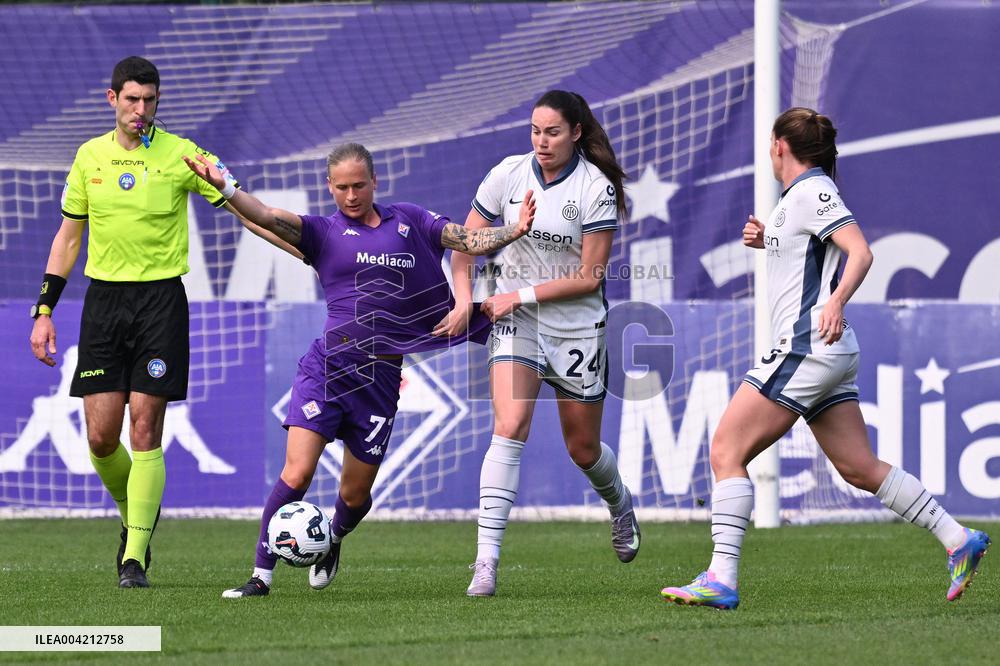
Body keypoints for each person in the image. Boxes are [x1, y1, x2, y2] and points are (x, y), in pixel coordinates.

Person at [660, 107, 991, 610]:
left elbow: (860, 252)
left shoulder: (814, 192)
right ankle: (957, 538)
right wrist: (764, 240)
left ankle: (721, 578)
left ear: (779, 147)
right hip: (829, 351)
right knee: (858, 466)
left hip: (805, 345)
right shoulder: (796, 199)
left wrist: (836, 301)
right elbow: (806, 258)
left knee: (726, 449)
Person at [183, 141, 536, 598]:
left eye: (359, 185)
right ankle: (260, 576)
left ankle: (331, 539)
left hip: (380, 381)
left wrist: (515, 229)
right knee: (297, 473)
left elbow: (466, 240)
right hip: (327, 370)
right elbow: (267, 217)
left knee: (353, 496)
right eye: (341, 187)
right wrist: (226, 188)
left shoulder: (409, 220)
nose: (351, 195)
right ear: (329, 188)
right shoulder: (323, 233)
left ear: (375, 181)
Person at [27, 56, 247, 589]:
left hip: (160, 303)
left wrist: (243, 196)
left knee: (145, 428)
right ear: (112, 99)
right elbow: (69, 238)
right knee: (102, 439)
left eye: (149, 101)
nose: (141, 110)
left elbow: (234, 196)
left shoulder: (180, 154)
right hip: (103, 305)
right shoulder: (89, 156)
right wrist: (44, 310)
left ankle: (135, 554)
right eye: (131, 100)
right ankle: (138, 515)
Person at [437, 90, 637, 598]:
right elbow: (463, 243)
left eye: (552, 132)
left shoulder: (596, 187)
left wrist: (516, 294)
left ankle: (619, 506)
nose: (541, 141)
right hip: (516, 322)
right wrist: (465, 300)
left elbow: (590, 276)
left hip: (575, 327)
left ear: (575, 132)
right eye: (534, 130)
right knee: (509, 426)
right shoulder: (507, 174)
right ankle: (485, 563)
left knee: (583, 448)